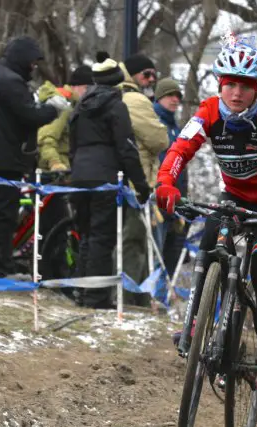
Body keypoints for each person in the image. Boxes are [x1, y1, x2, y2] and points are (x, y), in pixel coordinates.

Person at [156, 33, 257, 396]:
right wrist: (166, 182)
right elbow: (181, 147)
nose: (236, 93)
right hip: (233, 198)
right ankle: (195, 322)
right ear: (221, 84)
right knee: (207, 245)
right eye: (230, 84)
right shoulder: (208, 111)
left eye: (246, 86)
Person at [0, 35, 69, 278]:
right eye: (33, 63)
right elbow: (29, 116)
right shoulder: (9, 82)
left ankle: (0, 265)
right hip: (0, 161)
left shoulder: (1, 76)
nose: (34, 68)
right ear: (23, 59)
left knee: (2, 216)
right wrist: (53, 108)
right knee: (1, 217)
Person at [69, 57, 150, 308]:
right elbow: (126, 148)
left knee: (85, 236)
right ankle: (97, 297)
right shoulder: (116, 106)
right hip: (105, 177)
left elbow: (72, 144)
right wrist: (141, 183)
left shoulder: (80, 106)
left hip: (79, 176)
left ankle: (82, 292)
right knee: (103, 238)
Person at [115, 52, 168, 306]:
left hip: (131, 180)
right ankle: (132, 298)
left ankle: (137, 297)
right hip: (137, 182)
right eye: (146, 74)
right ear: (134, 75)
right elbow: (160, 139)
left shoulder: (122, 95)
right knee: (134, 241)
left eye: (154, 76)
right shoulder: (135, 99)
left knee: (137, 242)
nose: (151, 80)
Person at [153, 77, 188, 276]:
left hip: (175, 200)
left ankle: (160, 299)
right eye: (169, 95)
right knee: (155, 252)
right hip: (158, 197)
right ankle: (148, 298)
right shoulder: (154, 123)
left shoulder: (176, 128)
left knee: (170, 254)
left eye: (177, 96)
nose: (174, 99)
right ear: (159, 98)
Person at [37, 65, 93, 172]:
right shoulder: (63, 105)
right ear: (74, 86)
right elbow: (45, 138)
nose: (89, 92)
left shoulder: (75, 106)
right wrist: (55, 163)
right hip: (57, 173)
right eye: (86, 88)